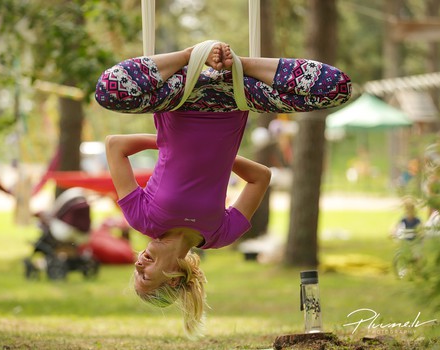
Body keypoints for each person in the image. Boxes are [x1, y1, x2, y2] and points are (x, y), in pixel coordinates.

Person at [95, 41, 351, 337]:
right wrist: (221, 155)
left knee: (108, 91)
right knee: (337, 88)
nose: (138, 263)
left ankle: (187, 57)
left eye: (135, 271)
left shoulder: (142, 220)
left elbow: (115, 146)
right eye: (145, 275)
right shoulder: (220, 235)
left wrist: (169, 143)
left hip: (177, 96)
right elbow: (260, 177)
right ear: (175, 278)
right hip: (236, 96)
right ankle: (240, 64)